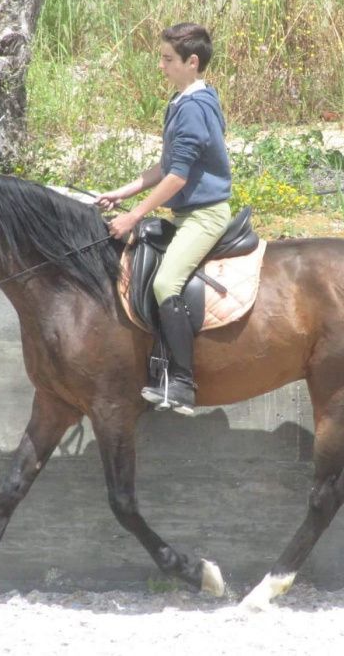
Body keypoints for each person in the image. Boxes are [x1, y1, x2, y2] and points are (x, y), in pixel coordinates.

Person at [96, 22, 232, 416]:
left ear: (192, 62)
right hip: (188, 212)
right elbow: (166, 166)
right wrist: (123, 192)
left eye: (167, 59)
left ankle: (184, 383)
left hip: (203, 216)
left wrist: (134, 215)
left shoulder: (192, 108)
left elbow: (178, 176)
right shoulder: (184, 100)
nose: (161, 66)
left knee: (166, 282)